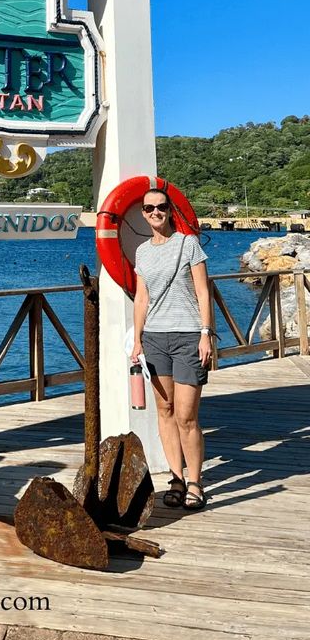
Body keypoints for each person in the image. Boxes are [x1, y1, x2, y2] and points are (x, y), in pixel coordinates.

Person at [130, 187, 211, 511]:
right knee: (164, 411)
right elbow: (142, 298)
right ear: (143, 213)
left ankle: (195, 481)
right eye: (149, 209)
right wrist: (137, 339)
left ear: (169, 209)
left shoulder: (188, 244)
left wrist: (206, 334)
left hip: (188, 336)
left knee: (186, 415)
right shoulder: (143, 252)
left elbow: (203, 292)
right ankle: (176, 478)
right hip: (155, 338)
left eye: (161, 207)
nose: (155, 213)